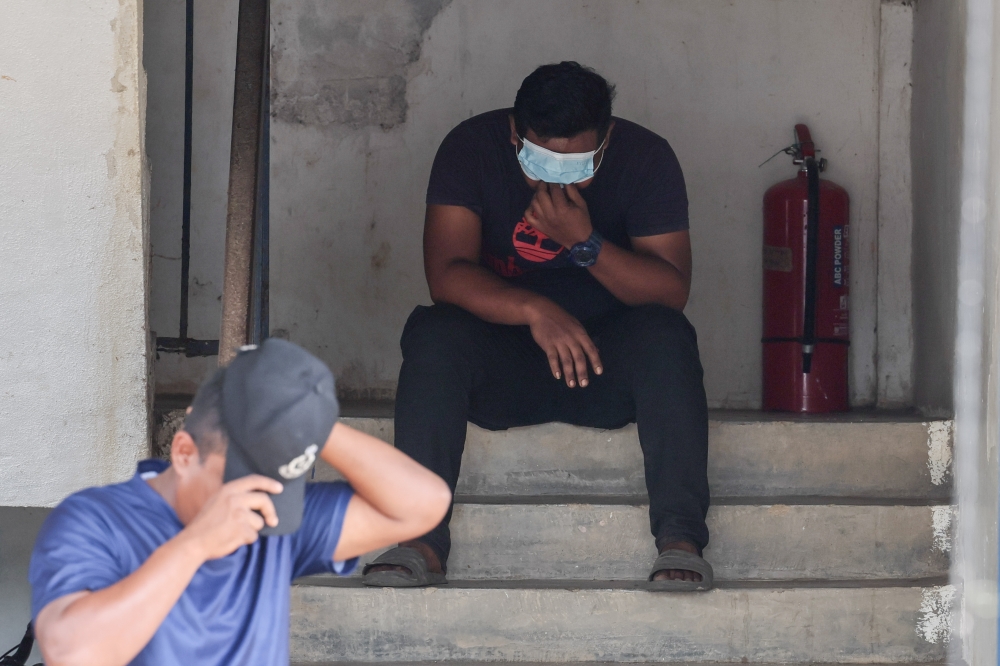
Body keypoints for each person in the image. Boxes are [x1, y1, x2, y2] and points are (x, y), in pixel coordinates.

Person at [362, 61, 712, 591]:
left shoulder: (645, 157)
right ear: (514, 133)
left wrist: (584, 242)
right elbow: (446, 274)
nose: (554, 175)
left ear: (606, 139)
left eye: (575, 164)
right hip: (505, 362)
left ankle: (681, 539)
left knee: (668, 339)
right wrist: (535, 310)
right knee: (435, 332)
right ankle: (419, 541)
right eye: (541, 160)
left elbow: (671, 292)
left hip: (604, 364)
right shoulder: (472, 147)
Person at [29, 339, 451, 665]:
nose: (249, 508)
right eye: (234, 484)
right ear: (183, 452)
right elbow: (72, 654)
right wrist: (194, 545)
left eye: (271, 486)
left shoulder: (264, 510)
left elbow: (423, 504)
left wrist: (307, 423)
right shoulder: (95, 519)